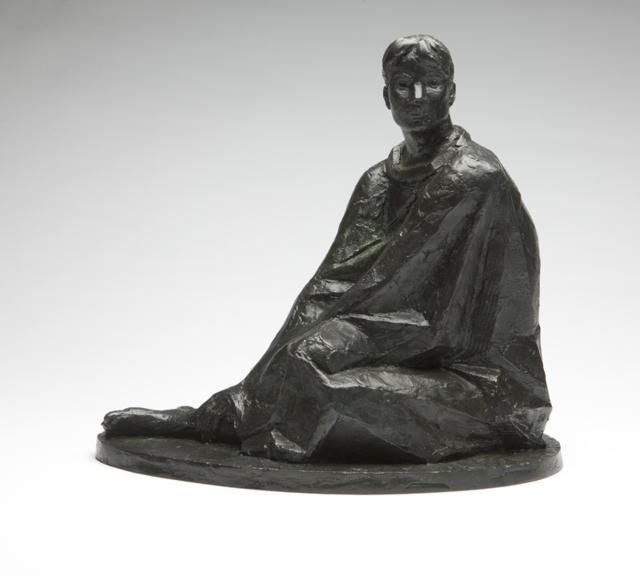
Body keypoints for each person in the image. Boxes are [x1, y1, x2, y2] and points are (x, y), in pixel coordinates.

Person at [103, 34, 552, 463]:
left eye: (430, 84)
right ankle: (218, 417)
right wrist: (297, 347)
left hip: (477, 378)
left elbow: (434, 317)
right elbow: (331, 285)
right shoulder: (377, 181)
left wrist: (326, 344)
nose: (417, 97)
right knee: (304, 354)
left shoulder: (474, 178)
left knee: (316, 379)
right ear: (386, 97)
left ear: (451, 93)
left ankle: (240, 421)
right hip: (394, 334)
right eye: (403, 85)